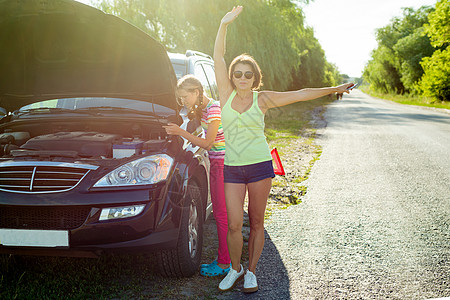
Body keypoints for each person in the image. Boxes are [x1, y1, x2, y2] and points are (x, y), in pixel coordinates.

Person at [213, 6, 354, 293]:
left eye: (248, 74)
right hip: (233, 168)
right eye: (238, 73)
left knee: (256, 222)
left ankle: (251, 272)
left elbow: (301, 94)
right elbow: (218, 56)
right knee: (233, 224)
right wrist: (223, 24)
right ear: (231, 76)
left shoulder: (262, 99)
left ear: (255, 77)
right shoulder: (225, 95)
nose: (242, 77)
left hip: (260, 165)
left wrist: (333, 88)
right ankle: (235, 269)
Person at [163, 75, 231, 277]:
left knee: (220, 214)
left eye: (185, 96)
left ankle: (224, 263)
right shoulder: (202, 109)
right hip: (217, 163)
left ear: (196, 92)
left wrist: (180, 133)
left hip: (222, 163)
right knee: (221, 213)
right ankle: (225, 259)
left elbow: (209, 143)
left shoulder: (213, 110)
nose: (183, 101)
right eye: (180, 98)